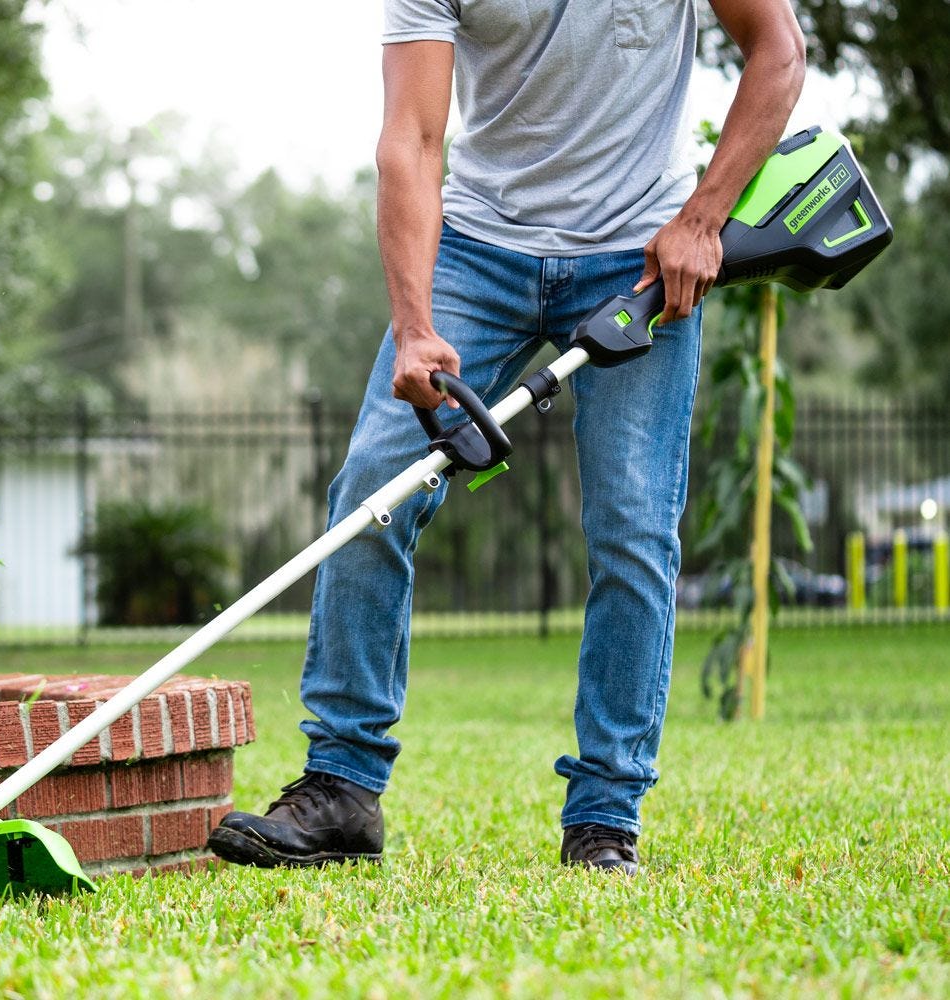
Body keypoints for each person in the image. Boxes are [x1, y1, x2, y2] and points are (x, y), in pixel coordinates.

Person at [208, 0, 806, 874]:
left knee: (634, 529)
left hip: (638, 254)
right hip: (475, 251)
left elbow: (779, 48)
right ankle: (341, 786)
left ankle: (605, 815)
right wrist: (415, 324)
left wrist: (703, 218)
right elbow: (411, 138)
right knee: (375, 482)